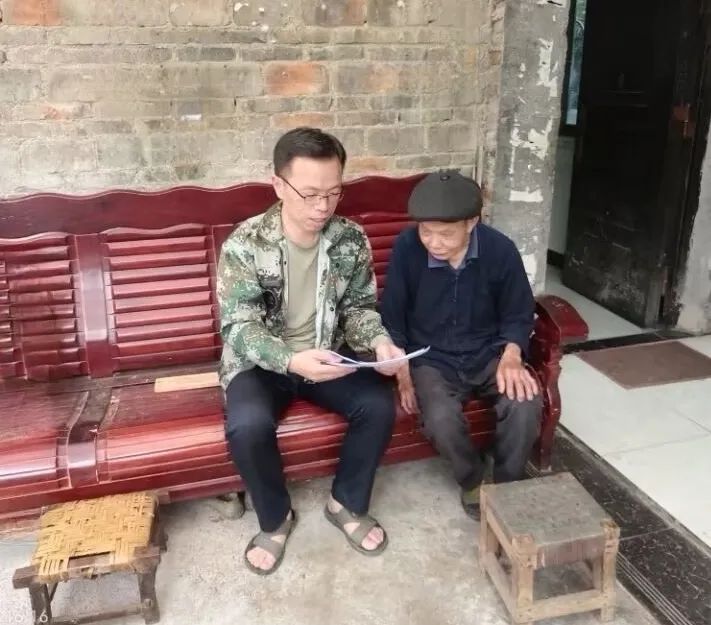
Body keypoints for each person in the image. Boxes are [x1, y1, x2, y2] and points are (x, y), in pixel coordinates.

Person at [217, 127, 405, 575]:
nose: (323, 206)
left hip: (327, 355)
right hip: (262, 363)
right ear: (279, 185)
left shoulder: (349, 239)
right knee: (247, 425)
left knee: (379, 405)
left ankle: (346, 503)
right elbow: (239, 325)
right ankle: (275, 518)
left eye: (333, 193)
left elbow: (359, 309)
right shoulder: (245, 243)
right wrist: (288, 360)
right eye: (310, 194)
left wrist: (378, 342)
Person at [380, 170, 542, 520]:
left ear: (471, 222)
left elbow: (518, 312)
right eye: (426, 231)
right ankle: (473, 479)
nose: (434, 243)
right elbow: (392, 315)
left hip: (488, 354)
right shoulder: (407, 248)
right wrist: (402, 370)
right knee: (439, 418)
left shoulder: (500, 250)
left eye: (445, 234)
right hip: (431, 358)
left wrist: (512, 353)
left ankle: (508, 484)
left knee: (525, 402)